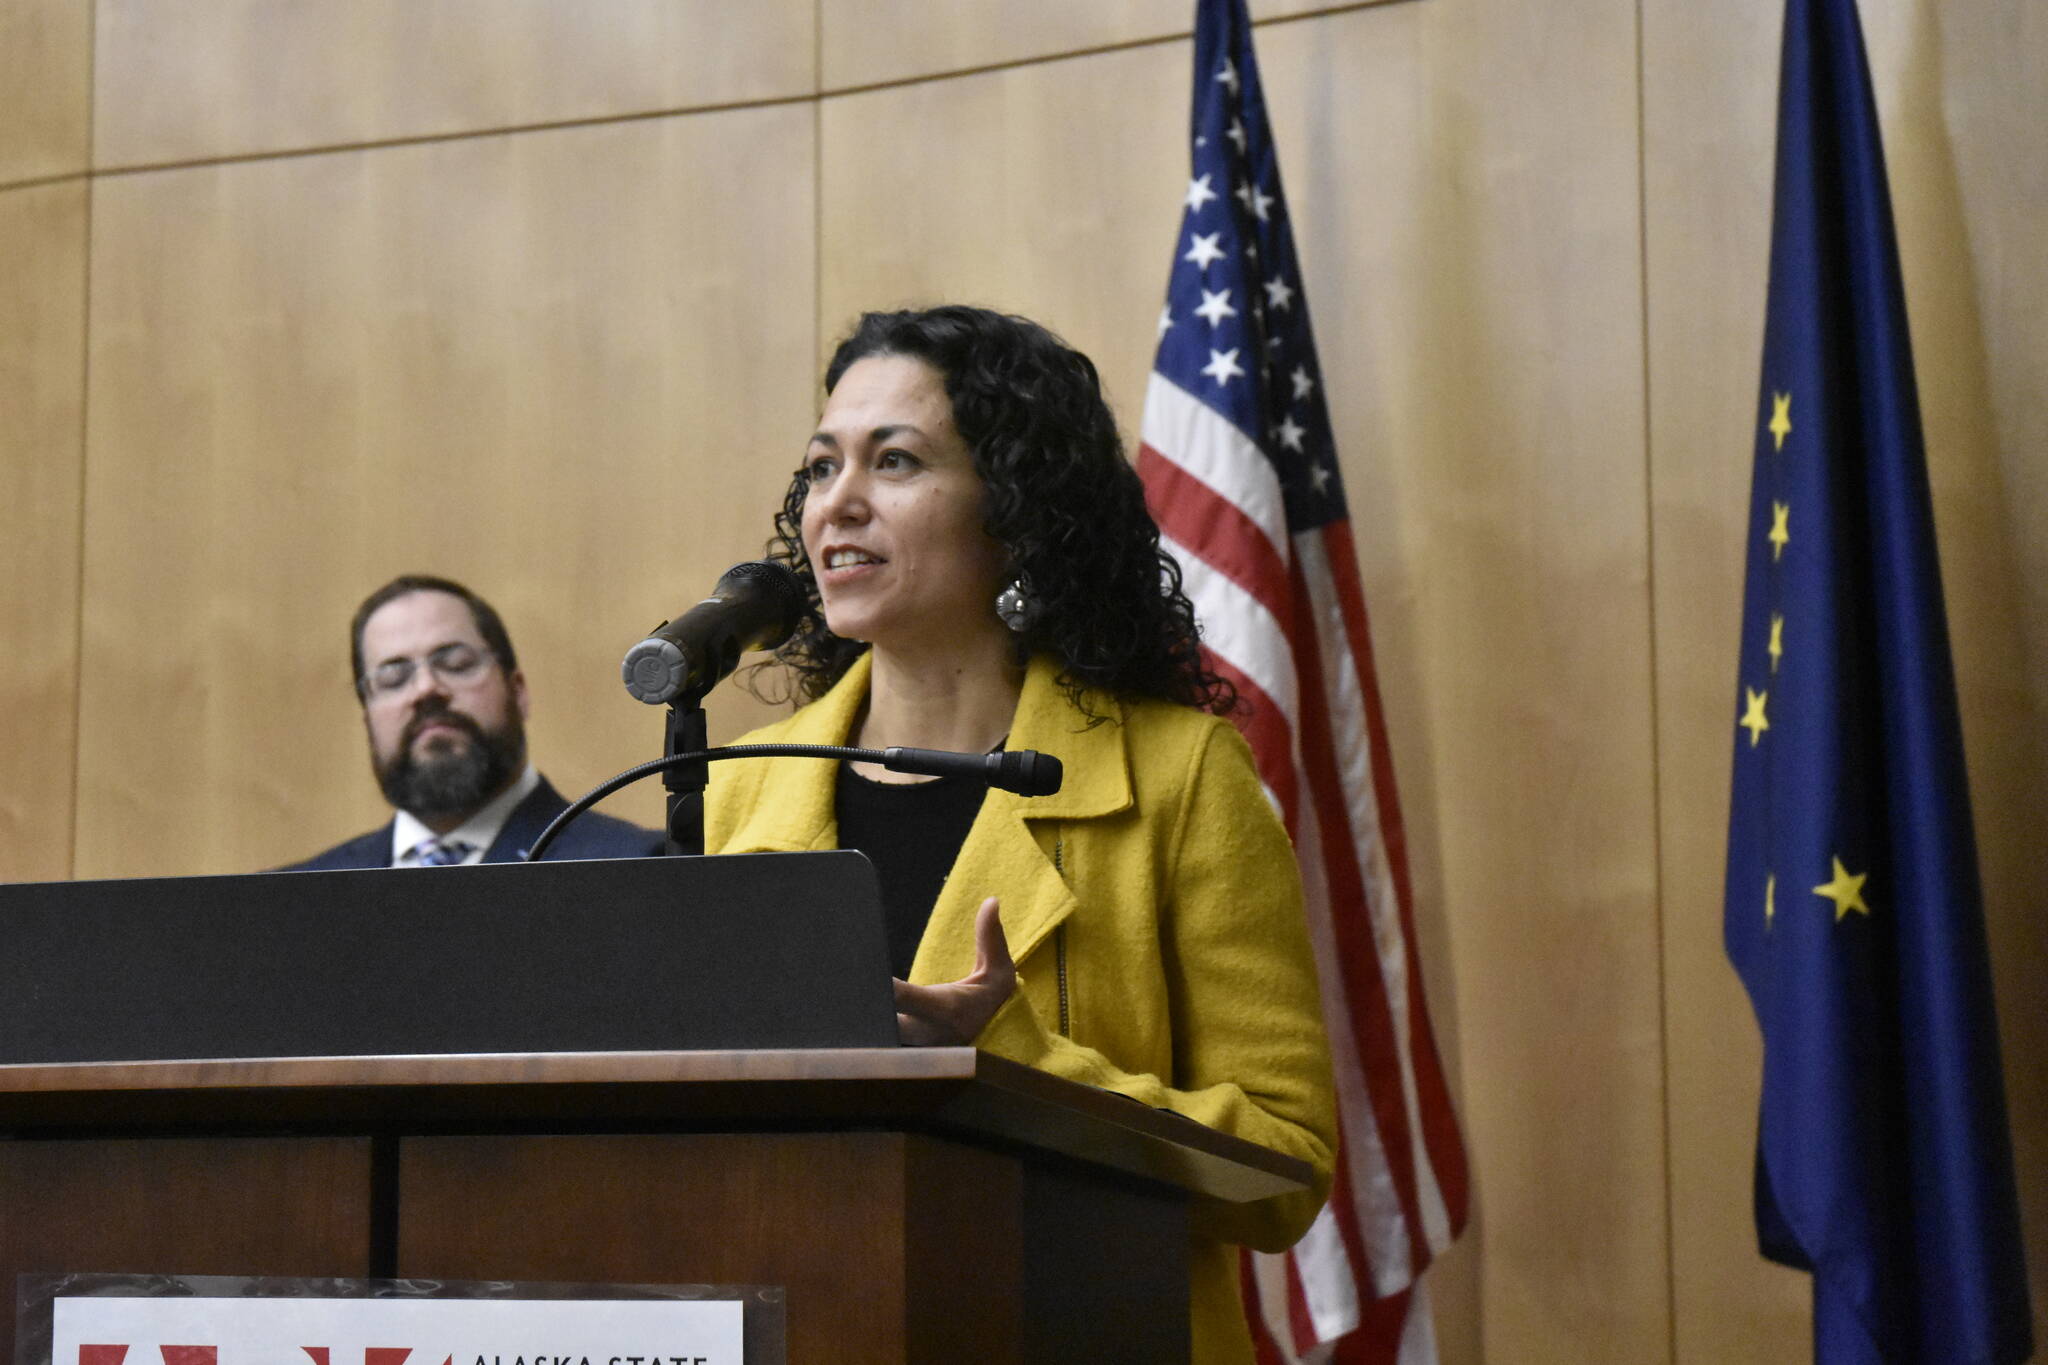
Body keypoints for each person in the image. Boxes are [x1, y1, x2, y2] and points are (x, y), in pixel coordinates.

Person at [705, 306, 1337, 1364]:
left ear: (1016, 510)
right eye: (821, 468)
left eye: (893, 461)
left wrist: (1014, 1061)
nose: (836, 505)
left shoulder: (1177, 776)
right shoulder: (746, 787)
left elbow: (1282, 1170)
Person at [282, 575, 663, 869]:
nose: (427, 689)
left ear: (518, 690)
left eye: (456, 664)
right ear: (367, 718)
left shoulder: (638, 866)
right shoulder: (287, 904)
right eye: (393, 677)